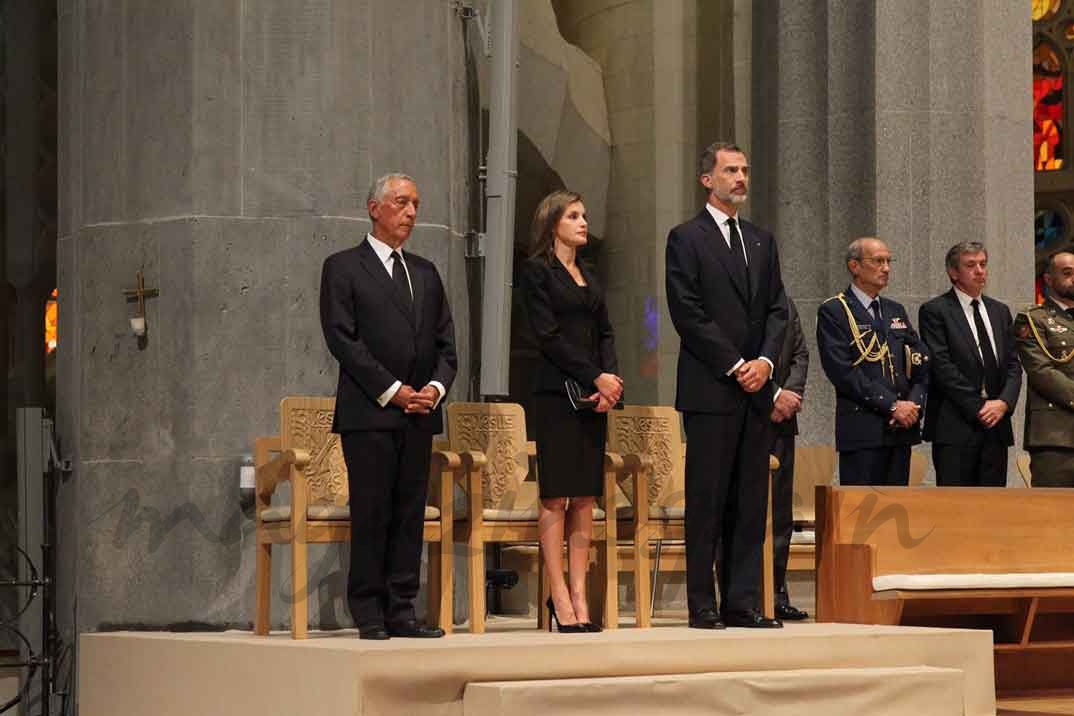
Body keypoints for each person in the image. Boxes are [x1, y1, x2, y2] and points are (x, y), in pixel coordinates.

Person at [319, 173, 457, 640]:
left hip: (419, 412)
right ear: (374, 207)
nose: (412, 212)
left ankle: (402, 609)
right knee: (374, 510)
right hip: (371, 412)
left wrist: (435, 388)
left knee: (409, 513)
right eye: (402, 202)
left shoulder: (425, 271)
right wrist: (394, 388)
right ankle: (370, 611)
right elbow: (343, 339)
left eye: (417, 203)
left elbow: (447, 345)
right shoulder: (343, 267)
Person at [666, 141, 788, 630]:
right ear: (707, 180)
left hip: (755, 390)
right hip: (712, 388)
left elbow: (778, 309)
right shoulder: (686, 238)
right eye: (730, 170)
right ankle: (703, 603)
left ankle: (743, 601)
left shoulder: (761, 240)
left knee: (749, 499)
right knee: (709, 498)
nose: (740, 178)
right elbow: (687, 311)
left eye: (745, 169)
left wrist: (763, 361)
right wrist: (737, 363)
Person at [520, 190, 622, 633]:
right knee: (556, 494)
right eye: (574, 215)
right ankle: (558, 594)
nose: (584, 222)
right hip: (555, 392)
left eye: (585, 214)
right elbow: (548, 337)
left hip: (594, 397)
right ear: (552, 223)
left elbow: (605, 332)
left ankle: (580, 594)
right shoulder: (537, 271)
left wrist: (610, 381)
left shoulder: (591, 274)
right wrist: (593, 377)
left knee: (584, 497)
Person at [816, 238, 929, 486]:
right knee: (863, 515)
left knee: (898, 515)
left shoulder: (894, 310)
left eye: (889, 261)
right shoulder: (835, 310)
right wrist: (891, 406)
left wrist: (913, 404)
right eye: (878, 261)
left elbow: (920, 361)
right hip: (863, 429)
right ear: (854, 266)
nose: (886, 268)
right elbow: (843, 372)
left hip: (901, 430)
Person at [918, 242, 1021, 486]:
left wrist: (1003, 403)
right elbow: (941, 367)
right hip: (956, 425)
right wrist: (979, 407)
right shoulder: (936, 311)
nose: (979, 271)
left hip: (996, 426)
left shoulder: (999, 311)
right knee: (957, 510)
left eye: (983, 264)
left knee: (993, 509)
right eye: (971, 265)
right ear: (953, 272)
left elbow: (1013, 365)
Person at [1014, 250, 1074, 487]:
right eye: (1067, 273)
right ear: (1048, 279)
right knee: (1052, 516)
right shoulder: (1032, 319)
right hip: (1056, 436)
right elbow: (1041, 372)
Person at [769, 297, 808, 621]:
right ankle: (743, 592)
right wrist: (772, 395)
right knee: (743, 511)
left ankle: (776, 591)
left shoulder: (786, 302)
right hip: (750, 412)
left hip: (783, 420)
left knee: (780, 515)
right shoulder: (736, 295)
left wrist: (790, 394)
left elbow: (799, 353)